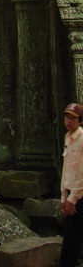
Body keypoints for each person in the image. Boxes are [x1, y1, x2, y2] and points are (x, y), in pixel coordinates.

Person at [59, 103, 83, 267]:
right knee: (71, 238)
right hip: (70, 195)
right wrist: (63, 197)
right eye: (67, 117)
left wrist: (72, 199)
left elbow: (82, 173)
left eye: (73, 118)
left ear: (80, 121)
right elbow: (67, 170)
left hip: (80, 197)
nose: (69, 121)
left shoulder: (82, 140)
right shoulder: (68, 137)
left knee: (72, 239)